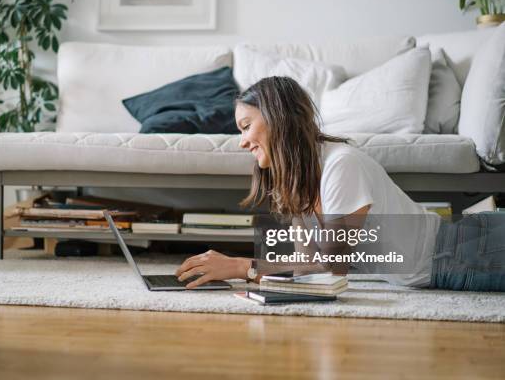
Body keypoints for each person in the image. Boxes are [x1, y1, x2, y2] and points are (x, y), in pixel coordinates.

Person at [175, 76, 505, 292]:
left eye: (246, 126)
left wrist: (238, 267)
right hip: (453, 254)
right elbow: (306, 269)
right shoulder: (298, 180)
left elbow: (331, 271)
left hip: (464, 252)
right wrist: (244, 271)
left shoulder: (340, 165)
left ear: (277, 116)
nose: (241, 141)